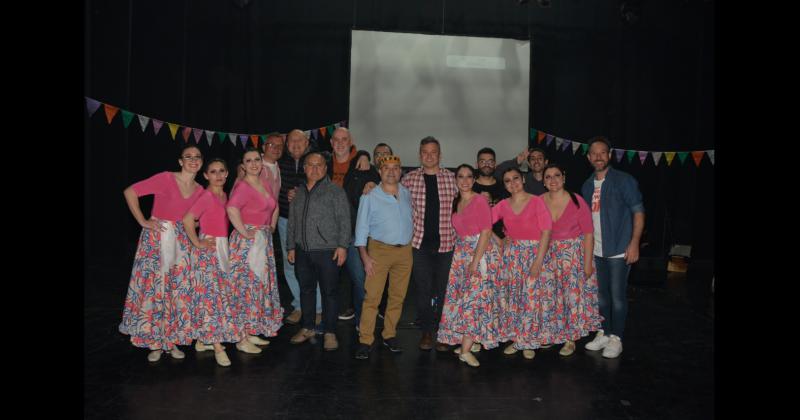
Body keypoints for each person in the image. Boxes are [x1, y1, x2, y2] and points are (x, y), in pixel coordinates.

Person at [119, 144, 205, 362]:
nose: (193, 160)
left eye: (197, 157)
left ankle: (172, 340)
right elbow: (130, 192)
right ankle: (155, 343)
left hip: (183, 245)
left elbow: (195, 220)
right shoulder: (166, 178)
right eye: (188, 157)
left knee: (178, 292)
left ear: (201, 162)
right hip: (158, 239)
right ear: (180, 161)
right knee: (156, 290)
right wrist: (143, 221)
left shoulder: (200, 190)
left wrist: (195, 228)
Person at [580, 137, 645, 359]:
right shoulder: (587, 185)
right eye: (594, 153)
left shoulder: (624, 180)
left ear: (610, 155)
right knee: (601, 297)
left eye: (602, 152)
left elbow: (638, 211)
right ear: (589, 157)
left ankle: (617, 338)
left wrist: (634, 242)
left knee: (617, 296)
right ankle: (604, 333)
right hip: (596, 250)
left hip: (618, 249)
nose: (598, 157)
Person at [436, 164, 502, 367]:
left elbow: (485, 231)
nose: (464, 180)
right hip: (461, 255)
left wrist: (475, 261)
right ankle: (470, 341)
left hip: (479, 255)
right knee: (463, 301)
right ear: (455, 180)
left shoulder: (480, 200)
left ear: (474, 179)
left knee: (474, 301)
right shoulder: (457, 201)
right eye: (460, 176)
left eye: (469, 177)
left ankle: (465, 350)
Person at [286, 152, 351, 351]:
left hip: (327, 252)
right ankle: (307, 327)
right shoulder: (298, 193)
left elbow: (344, 220)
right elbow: (292, 222)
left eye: (319, 165)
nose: (314, 169)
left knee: (329, 292)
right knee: (306, 290)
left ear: (325, 168)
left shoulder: (335, 191)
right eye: (310, 165)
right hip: (302, 252)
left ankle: (330, 331)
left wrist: (342, 246)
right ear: (304, 168)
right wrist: (290, 246)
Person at [401, 136, 458, 352]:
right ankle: (426, 331)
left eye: (433, 152)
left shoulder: (452, 179)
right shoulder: (409, 179)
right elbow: (391, 196)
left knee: (444, 290)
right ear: (419, 155)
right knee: (423, 290)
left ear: (440, 155)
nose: (429, 156)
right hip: (419, 245)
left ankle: (443, 333)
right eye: (425, 152)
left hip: (447, 245)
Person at [353, 155, 414, 360]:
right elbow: (361, 227)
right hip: (378, 251)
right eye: (386, 168)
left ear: (400, 171)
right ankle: (365, 339)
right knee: (372, 298)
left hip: (405, 251)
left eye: (395, 168)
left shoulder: (406, 193)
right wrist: (365, 257)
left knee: (397, 297)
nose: (391, 171)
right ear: (379, 172)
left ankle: (389, 334)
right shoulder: (369, 195)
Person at [182, 158, 240, 367]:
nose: (217, 175)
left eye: (221, 171)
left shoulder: (224, 195)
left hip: (222, 248)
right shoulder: (206, 196)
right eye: (213, 172)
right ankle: (217, 346)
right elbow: (188, 219)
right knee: (212, 298)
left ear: (226, 174)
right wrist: (197, 242)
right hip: (209, 250)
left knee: (215, 295)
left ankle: (201, 341)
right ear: (205, 175)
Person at [541, 163, 602, 357]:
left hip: (574, 257)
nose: (553, 180)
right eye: (548, 176)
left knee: (572, 298)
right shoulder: (538, 201)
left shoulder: (577, 201)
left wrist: (586, 264)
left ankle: (570, 339)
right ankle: (553, 334)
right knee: (552, 297)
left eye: (556, 175)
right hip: (549, 257)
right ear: (543, 181)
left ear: (564, 177)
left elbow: (589, 233)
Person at [226, 148, 283, 355]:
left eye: (256, 159)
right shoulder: (243, 186)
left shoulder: (264, 183)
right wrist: (245, 232)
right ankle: (241, 338)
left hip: (262, 240)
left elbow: (274, 207)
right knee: (244, 288)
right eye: (248, 160)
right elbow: (231, 209)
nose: (253, 163)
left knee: (256, 288)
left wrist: (271, 226)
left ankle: (249, 332)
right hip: (248, 245)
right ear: (243, 165)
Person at [492, 167, 553, 360]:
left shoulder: (537, 202)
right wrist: (499, 240)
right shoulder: (502, 205)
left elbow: (546, 232)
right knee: (514, 299)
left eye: (515, 178)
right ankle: (517, 338)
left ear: (523, 179)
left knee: (532, 299)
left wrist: (537, 262)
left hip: (534, 255)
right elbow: (483, 223)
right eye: (508, 181)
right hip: (512, 257)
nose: (513, 183)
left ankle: (529, 341)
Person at [277, 130, 321, 326]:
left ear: (307, 142)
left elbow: (322, 182)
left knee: (314, 264)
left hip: (310, 222)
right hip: (285, 220)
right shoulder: (280, 161)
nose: (295, 144)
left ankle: (318, 308)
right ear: (287, 144)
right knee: (290, 264)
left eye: (299, 140)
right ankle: (299, 305)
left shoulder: (317, 159)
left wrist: (301, 192)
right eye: (291, 140)